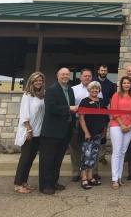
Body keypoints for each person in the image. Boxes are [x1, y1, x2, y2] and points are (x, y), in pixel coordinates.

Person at [39, 67, 78, 195]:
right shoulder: (51, 90)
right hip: (51, 131)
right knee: (47, 159)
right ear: (57, 76)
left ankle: (54, 182)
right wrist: (69, 108)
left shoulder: (70, 90)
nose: (65, 76)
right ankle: (45, 185)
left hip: (65, 131)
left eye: (67, 74)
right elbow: (51, 108)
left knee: (58, 159)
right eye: (63, 74)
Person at [14, 71, 45, 194]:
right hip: (29, 131)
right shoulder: (27, 95)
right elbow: (24, 114)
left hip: (38, 132)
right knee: (25, 158)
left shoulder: (41, 95)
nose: (39, 82)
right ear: (31, 82)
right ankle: (17, 184)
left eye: (40, 80)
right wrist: (29, 129)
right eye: (36, 80)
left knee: (31, 158)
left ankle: (24, 182)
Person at [109, 76, 131, 190]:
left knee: (123, 152)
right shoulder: (116, 96)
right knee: (116, 152)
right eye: (124, 83)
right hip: (117, 126)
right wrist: (122, 124)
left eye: (128, 83)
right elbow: (114, 112)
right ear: (121, 84)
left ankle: (119, 177)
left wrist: (130, 125)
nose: (126, 85)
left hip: (129, 127)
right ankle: (114, 179)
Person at [78, 81, 107, 190]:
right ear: (89, 90)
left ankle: (90, 177)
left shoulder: (103, 102)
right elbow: (81, 118)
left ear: (99, 90)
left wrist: (104, 131)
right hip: (88, 133)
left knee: (93, 156)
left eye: (97, 89)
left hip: (98, 134)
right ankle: (84, 178)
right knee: (86, 155)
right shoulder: (84, 101)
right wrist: (86, 132)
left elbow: (105, 118)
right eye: (92, 89)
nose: (95, 90)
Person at [70, 67, 93, 182]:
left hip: (91, 123)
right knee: (75, 147)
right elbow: (70, 105)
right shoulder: (73, 89)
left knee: (91, 148)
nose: (87, 78)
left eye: (89, 76)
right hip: (76, 122)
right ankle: (76, 172)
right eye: (85, 76)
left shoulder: (96, 89)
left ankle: (91, 172)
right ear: (80, 77)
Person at [94, 64, 116, 170]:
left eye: (105, 70)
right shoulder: (93, 83)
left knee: (103, 135)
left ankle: (101, 156)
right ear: (98, 71)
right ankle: (93, 155)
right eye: (102, 70)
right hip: (92, 112)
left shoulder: (110, 84)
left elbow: (111, 99)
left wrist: (110, 111)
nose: (103, 72)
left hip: (104, 113)